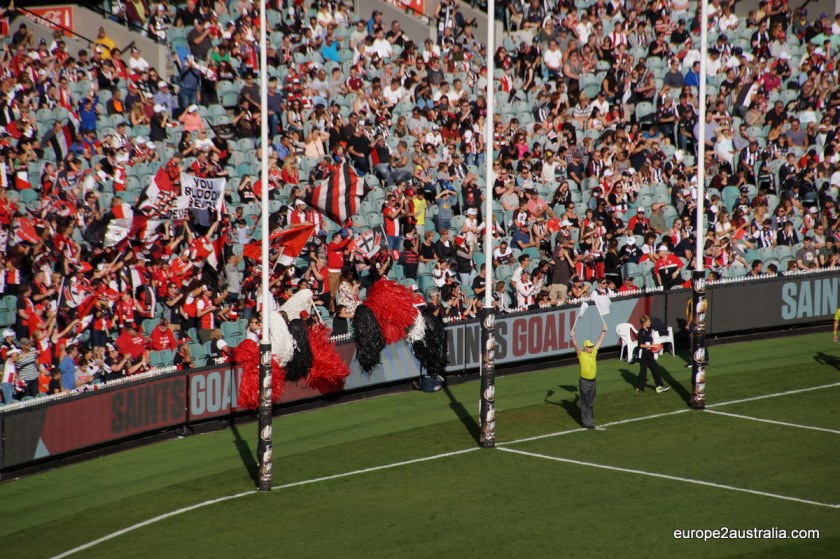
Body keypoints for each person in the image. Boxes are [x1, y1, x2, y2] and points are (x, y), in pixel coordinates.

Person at [570, 322, 608, 430]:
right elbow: (576, 347)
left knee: (590, 402)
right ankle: (585, 423)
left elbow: (600, 341)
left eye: (592, 346)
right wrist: (573, 336)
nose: (592, 347)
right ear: (585, 347)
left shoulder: (594, 352)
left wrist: (603, 330)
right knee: (585, 403)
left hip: (593, 381)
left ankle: (590, 421)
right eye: (590, 346)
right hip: (585, 382)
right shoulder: (581, 355)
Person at [635, 315, 671, 394]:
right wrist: (653, 346)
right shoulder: (641, 332)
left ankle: (659, 386)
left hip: (649, 353)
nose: (650, 323)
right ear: (644, 323)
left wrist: (656, 347)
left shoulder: (649, 330)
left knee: (655, 369)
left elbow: (651, 342)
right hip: (643, 355)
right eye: (648, 322)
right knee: (643, 372)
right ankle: (639, 388)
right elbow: (641, 345)